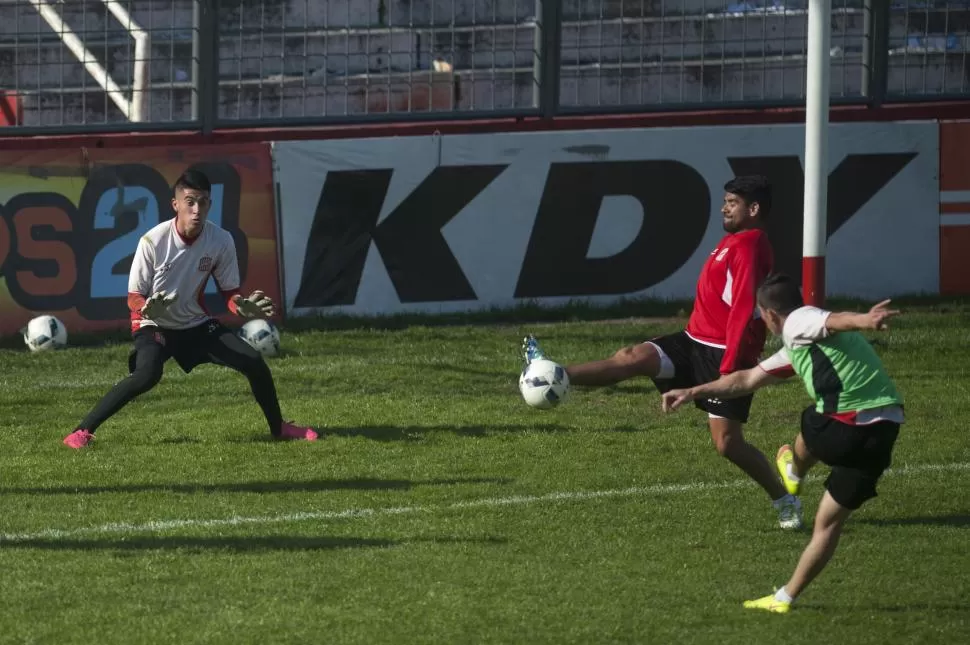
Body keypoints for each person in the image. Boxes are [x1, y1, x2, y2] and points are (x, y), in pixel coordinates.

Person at [523, 175, 802, 529]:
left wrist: (731, 366)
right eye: (726, 201)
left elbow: (744, 307)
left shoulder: (749, 245)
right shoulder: (733, 241)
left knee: (728, 445)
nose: (724, 207)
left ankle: (784, 499)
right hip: (692, 341)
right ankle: (553, 371)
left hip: (724, 356)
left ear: (755, 208)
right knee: (632, 358)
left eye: (732, 202)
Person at [661, 273, 904, 613]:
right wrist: (692, 391)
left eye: (760, 314)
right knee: (827, 525)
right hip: (885, 430)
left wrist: (865, 319)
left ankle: (793, 470)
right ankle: (784, 598)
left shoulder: (799, 321)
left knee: (812, 418)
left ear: (770, 313)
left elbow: (834, 320)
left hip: (844, 427)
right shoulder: (801, 344)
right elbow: (746, 379)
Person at [63, 169, 317, 448]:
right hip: (153, 325)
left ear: (210, 204)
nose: (197, 210)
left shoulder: (221, 240)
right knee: (147, 375)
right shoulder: (152, 241)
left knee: (253, 361)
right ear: (176, 205)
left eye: (204, 202)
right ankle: (81, 432)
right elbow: (133, 297)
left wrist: (240, 307)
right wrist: (148, 310)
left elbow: (230, 293)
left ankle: (279, 428)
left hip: (195, 324)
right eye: (190, 202)